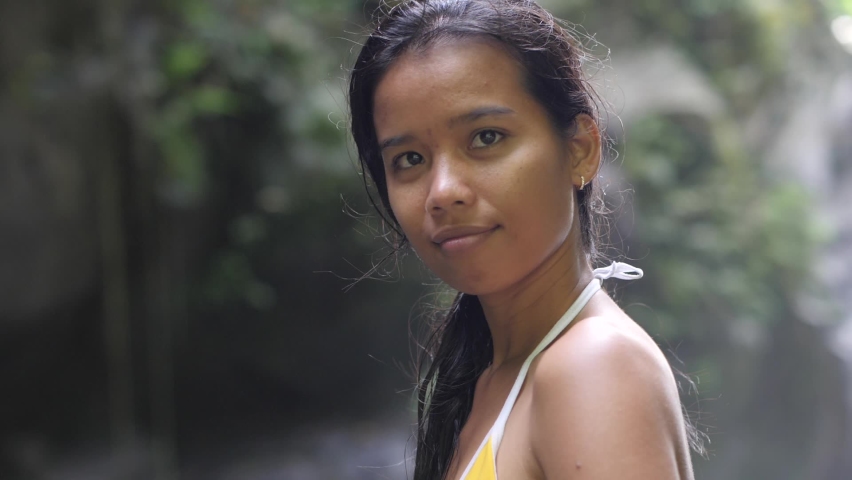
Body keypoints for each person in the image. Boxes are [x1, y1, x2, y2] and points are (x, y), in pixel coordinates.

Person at [348, 0, 701, 478]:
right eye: (410, 159)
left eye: (486, 137)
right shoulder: (492, 375)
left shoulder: (593, 366)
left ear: (580, 150)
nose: (443, 192)